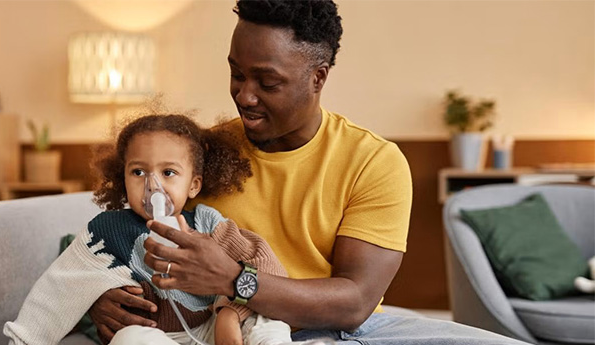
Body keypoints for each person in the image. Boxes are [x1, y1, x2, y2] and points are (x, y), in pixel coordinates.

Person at [87, 1, 528, 344]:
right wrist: (99, 298)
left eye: (267, 82)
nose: (244, 95)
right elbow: (123, 234)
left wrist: (234, 280)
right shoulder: (198, 154)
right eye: (236, 73)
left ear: (317, 77)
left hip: (338, 330)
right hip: (216, 329)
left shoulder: (373, 161)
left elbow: (354, 302)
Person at [3, 114, 291, 345]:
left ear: (194, 185)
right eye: (138, 172)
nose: (153, 186)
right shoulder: (106, 232)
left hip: (213, 329)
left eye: (168, 172)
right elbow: (57, 292)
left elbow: (266, 267)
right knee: (129, 339)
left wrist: (231, 313)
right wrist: (23, 339)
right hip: (158, 336)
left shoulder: (208, 223)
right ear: (123, 177)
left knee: (268, 322)